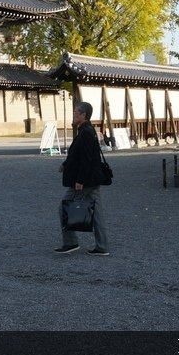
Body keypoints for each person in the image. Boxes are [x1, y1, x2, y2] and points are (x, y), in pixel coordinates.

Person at [54, 101, 109, 256]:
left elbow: (86, 159)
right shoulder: (88, 130)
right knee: (97, 212)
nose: (74, 114)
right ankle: (102, 246)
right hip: (93, 179)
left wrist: (80, 181)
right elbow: (79, 155)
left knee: (64, 206)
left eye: (76, 112)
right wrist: (65, 164)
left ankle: (70, 242)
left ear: (83, 115)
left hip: (85, 180)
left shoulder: (85, 133)